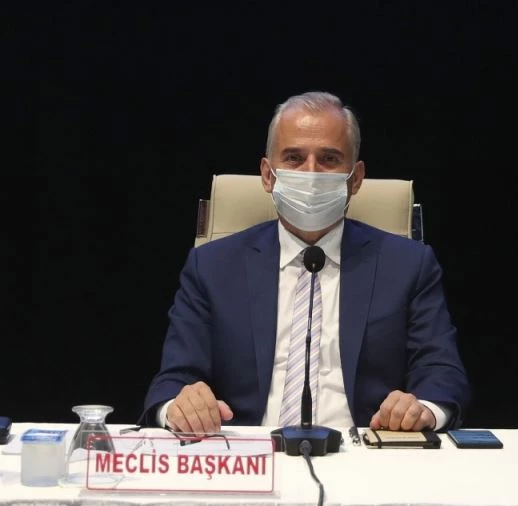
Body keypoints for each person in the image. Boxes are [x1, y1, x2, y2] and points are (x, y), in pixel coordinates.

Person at [140, 91, 469, 435]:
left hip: (367, 451)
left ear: (356, 178)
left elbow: (441, 371)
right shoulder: (212, 267)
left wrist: (422, 409)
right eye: (294, 158)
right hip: (250, 452)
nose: (311, 173)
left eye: (329, 159)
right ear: (267, 175)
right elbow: (172, 381)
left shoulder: (408, 265)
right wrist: (180, 406)